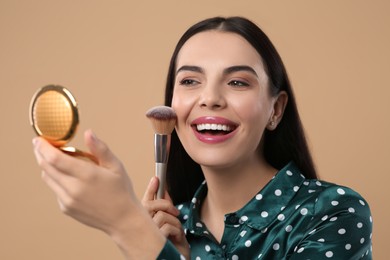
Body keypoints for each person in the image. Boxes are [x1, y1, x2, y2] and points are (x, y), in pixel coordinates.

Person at [32, 16, 373, 259]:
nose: (210, 98)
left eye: (238, 82)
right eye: (190, 81)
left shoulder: (331, 212)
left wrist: (126, 226)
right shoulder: (169, 229)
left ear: (276, 110)